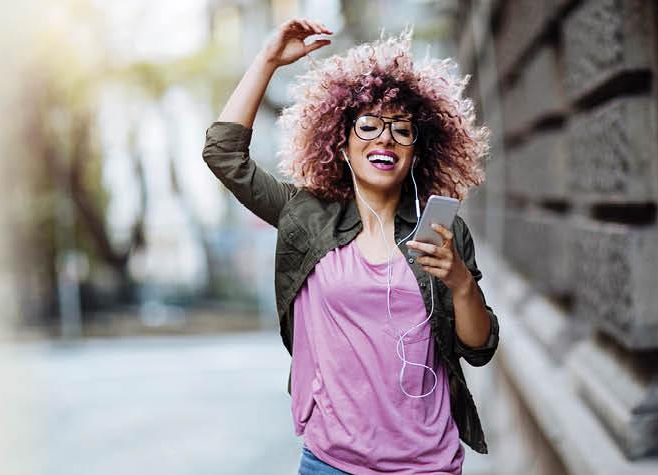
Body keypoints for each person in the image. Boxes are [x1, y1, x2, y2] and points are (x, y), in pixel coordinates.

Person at [203, 18, 499, 475]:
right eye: (368, 126)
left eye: (402, 130)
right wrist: (267, 60)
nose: (385, 137)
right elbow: (224, 155)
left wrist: (460, 283)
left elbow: (479, 348)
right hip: (332, 462)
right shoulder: (305, 216)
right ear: (340, 143)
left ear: (417, 152)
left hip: (429, 465)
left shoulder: (441, 232)